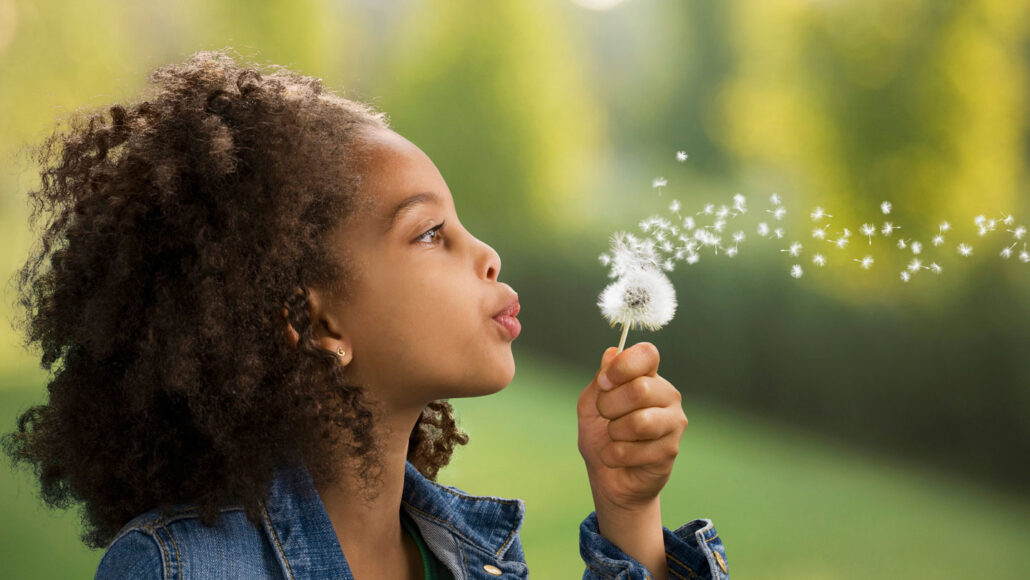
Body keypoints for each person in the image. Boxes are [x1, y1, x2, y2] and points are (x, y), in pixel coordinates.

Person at [2, 50, 729, 579]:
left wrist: (627, 510)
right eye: (428, 233)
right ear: (318, 326)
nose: (488, 255)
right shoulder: (179, 569)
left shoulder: (475, 559)